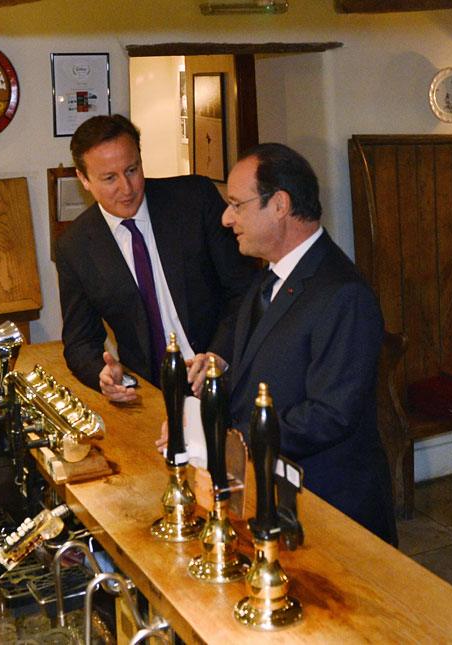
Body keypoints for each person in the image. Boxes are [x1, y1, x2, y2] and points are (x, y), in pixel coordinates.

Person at [188, 143, 397, 544]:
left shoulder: (343, 294)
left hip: (330, 511)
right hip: (278, 497)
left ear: (279, 204)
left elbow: (330, 414)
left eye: (236, 204)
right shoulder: (267, 277)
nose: (226, 217)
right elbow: (258, 360)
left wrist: (230, 440)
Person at [54, 114, 256, 403]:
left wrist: (218, 355)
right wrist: (102, 374)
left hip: (226, 375)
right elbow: (80, 341)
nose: (126, 188)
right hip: (151, 395)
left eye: (132, 170)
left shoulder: (193, 200)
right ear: (83, 179)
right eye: (109, 178)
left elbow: (246, 289)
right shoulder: (75, 246)